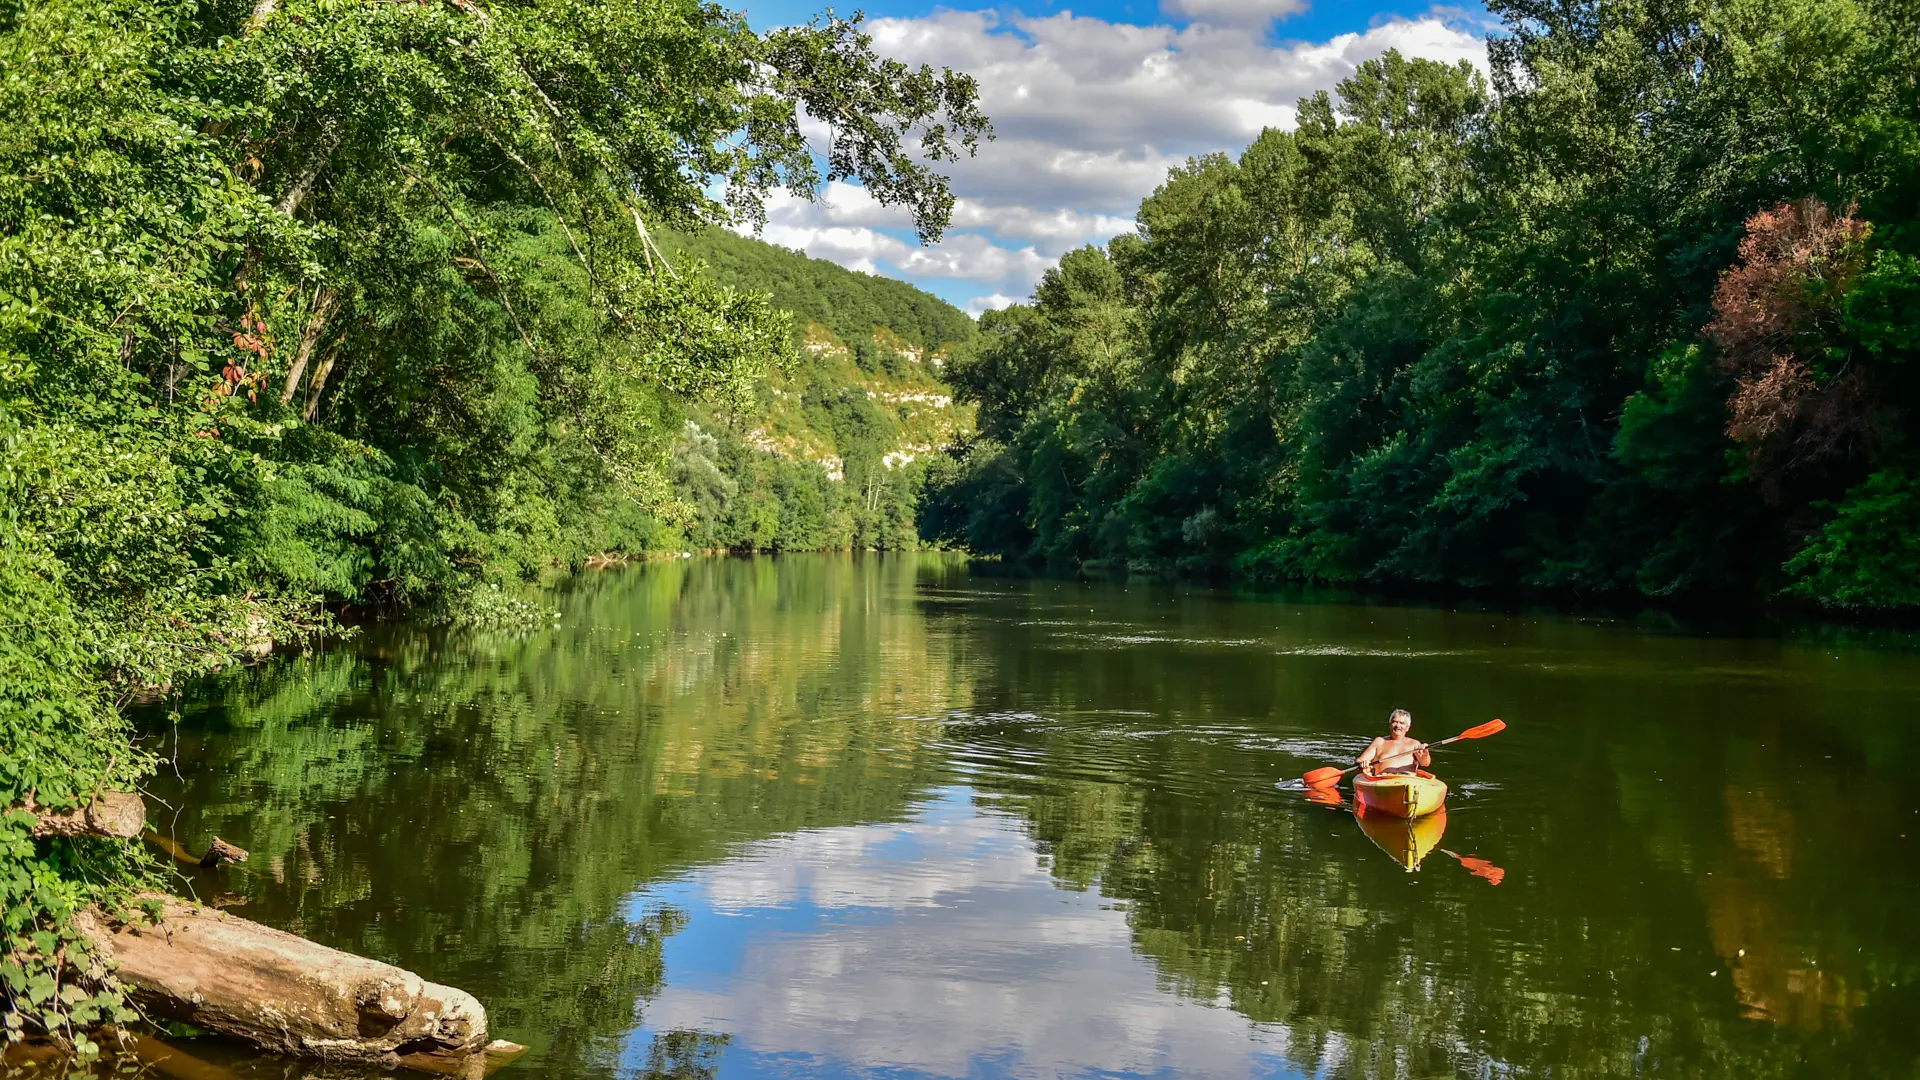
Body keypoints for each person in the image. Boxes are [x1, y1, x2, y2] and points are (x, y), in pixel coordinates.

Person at [1356, 709, 1430, 776]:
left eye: (1402, 723)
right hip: (1382, 781)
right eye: (1394, 722)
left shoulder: (1414, 744)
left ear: (1407, 728)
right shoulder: (1379, 742)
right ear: (1390, 724)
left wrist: (1425, 753)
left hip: (1408, 780)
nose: (1398, 725)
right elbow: (1360, 760)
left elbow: (1425, 763)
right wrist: (1364, 763)